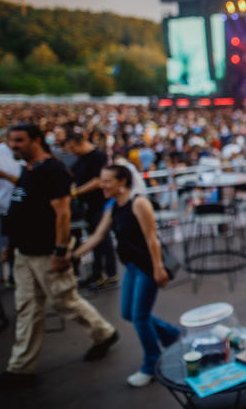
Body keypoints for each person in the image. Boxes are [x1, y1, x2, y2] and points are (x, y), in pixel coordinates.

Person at [0, 124, 117, 390]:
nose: (13, 146)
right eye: (11, 141)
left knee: (65, 300)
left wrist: (60, 251)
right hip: (25, 251)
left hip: (46, 251)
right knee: (27, 308)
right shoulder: (28, 169)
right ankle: (21, 367)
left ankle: (103, 333)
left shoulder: (53, 170)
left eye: (19, 141)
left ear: (36, 140)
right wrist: (13, 244)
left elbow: (63, 214)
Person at [71, 165, 180, 387]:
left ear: (122, 182)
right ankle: (171, 334)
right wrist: (72, 256)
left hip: (147, 266)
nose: (102, 185)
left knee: (139, 317)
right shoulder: (112, 206)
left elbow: (152, 239)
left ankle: (152, 364)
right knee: (128, 313)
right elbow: (98, 236)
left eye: (107, 181)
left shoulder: (139, 203)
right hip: (131, 266)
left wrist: (158, 268)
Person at [64, 129, 118, 289]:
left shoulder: (98, 156)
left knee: (103, 240)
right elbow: (72, 177)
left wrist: (75, 192)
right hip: (88, 206)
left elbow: (97, 180)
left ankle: (110, 274)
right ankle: (97, 273)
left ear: (80, 143)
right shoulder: (81, 160)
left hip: (99, 205)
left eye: (73, 148)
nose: (72, 152)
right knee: (96, 241)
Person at [0, 131, 23, 284]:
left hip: (15, 206)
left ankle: (12, 276)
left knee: (13, 243)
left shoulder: (23, 153)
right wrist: (9, 177)